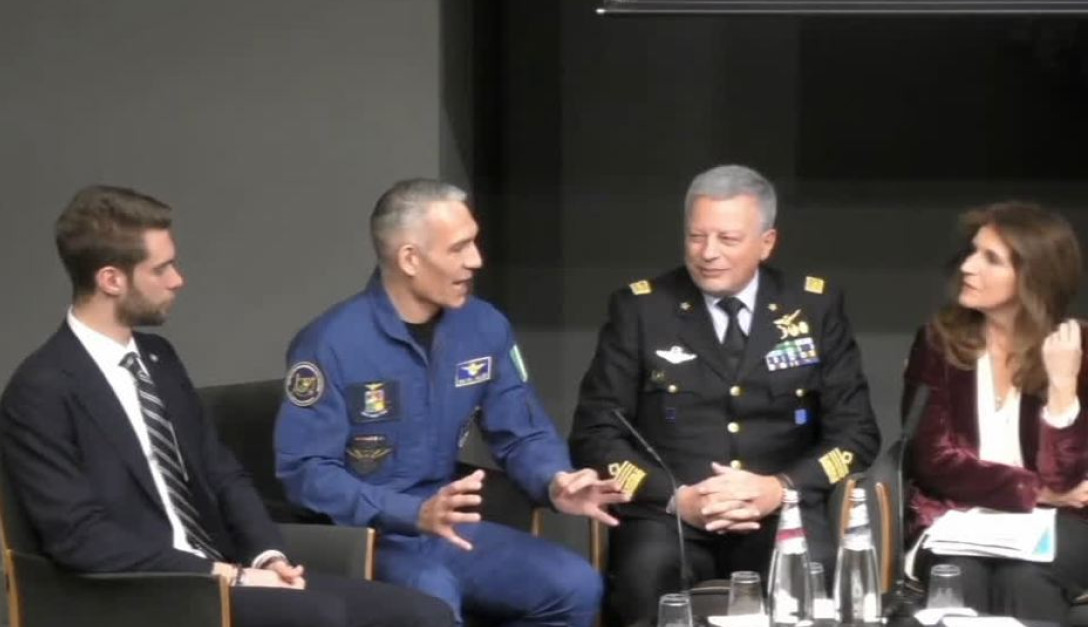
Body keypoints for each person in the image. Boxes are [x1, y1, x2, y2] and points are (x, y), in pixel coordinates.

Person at [0, 185, 454, 627]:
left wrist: (267, 557)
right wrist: (227, 576)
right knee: (320, 617)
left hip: (226, 573)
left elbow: (222, 474)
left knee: (423, 614)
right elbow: (81, 538)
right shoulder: (41, 390)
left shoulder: (158, 359)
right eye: (161, 269)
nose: (178, 280)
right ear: (111, 279)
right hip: (148, 592)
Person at [274, 178, 627, 626]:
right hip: (367, 535)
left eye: (473, 243)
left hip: (446, 528)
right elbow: (307, 473)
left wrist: (555, 481)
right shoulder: (330, 343)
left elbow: (522, 432)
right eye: (458, 248)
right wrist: (411, 513)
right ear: (409, 258)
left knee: (575, 585)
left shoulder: (483, 327)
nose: (475, 260)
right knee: (434, 600)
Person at [569, 164, 881, 626]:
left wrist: (781, 488)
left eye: (728, 239)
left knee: (812, 576)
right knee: (643, 578)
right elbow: (595, 434)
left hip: (781, 509)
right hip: (668, 515)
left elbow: (857, 435)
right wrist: (676, 498)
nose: (708, 253)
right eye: (696, 237)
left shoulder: (813, 306)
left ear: (766, 243)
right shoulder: (641, 308)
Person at [903, 201, 1088, 622]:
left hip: (1059, 523)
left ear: (1034, 276)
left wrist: (1062, 387)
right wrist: (1032, 490)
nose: (968, 267)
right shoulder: (938, 343)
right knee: (959, 575)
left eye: (991, 259)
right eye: (972, 252)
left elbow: (1068, 482)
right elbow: (931, 459)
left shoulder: (1077, 348)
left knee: (1027, 578)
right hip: (957, 517)